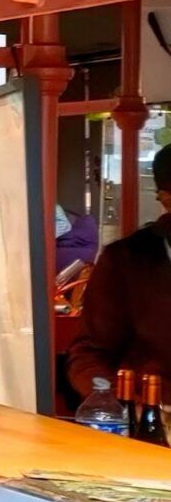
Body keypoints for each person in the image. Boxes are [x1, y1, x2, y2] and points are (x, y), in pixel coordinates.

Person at [64, 147, 171, 401]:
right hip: (152, 413)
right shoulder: (127, 261)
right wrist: (113, 401)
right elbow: (90, 353)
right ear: (166, 199)